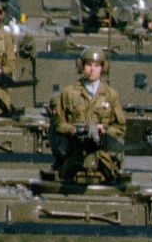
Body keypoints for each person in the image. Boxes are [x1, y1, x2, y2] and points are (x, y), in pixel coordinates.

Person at [50, 47, 127, 183]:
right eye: (88, 65)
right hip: (75, 152)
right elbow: (58, 124)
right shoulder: (68, 93)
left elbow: (120, 127)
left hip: (103, 155)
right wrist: (73, 129)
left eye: (97, 66)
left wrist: (104, 130)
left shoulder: (111, 95)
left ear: (103, 68)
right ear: (81, 66)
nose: (92, 69)